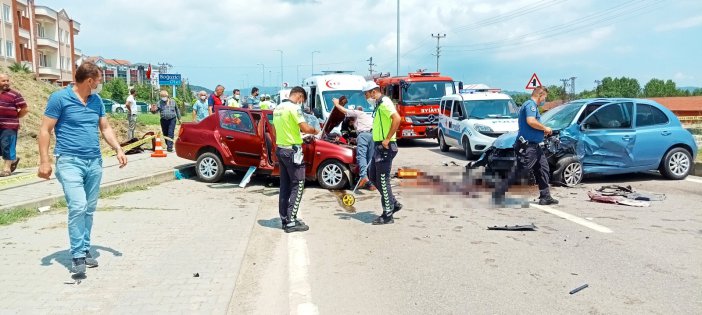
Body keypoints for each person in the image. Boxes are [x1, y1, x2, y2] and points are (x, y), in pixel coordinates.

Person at [37, 62, 128, 275]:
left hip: (94, 162)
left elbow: (105, 128)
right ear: (89, 80)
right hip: (69, 161)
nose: (100, 83)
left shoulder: (96, 101)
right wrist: (44, 161)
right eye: (98, 80)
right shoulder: (59, 98)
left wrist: (118, 149)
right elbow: (44, 130)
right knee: (78, 206)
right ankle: (77, 253)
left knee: (89, 208)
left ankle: (85, 248)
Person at [492, 86, 559, 206]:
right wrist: (545, 128)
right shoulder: (530, 105)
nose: (544, 100)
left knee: (543, 169)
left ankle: (545, 196)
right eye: (545, 97)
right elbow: (531, 121)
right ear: (540, 95)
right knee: (520, 171)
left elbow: (531, 124)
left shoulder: (532, 106)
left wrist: (541, 131)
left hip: (535, 146)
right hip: (528, 147)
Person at [272, 86, 319, 233]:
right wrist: (315, 130)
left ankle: (285, 218)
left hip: (281, 148)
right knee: (298, 184)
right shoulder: (294, 108)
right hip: (292, 151)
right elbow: (305, 128)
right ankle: (291, 222)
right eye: (302, 100)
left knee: (285, 186)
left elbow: (275, 129)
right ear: (299, 96)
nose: (301, 103)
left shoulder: (278, 108)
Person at [364, 81, 402, 225]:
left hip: (385, 146)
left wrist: (387, 139)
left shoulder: (385, 102)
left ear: (373, 92)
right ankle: (393, 203)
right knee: (373, 177)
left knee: (383, 180)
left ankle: (388, 214)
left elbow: (396, 119)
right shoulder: (379, 104)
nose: (366, 97)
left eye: (366, 94)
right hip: (378, 146)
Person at [333, 96, 375, 190]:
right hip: (372, 135)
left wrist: (336, 104)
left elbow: (344, 111)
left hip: (363, 135)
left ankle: (364, 177)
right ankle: (371, 183)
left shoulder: (358, 113)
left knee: (361, 156)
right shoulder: (365, 117)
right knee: (370, 159)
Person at [0, 74, 28, 177]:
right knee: (2, 147)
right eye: (3, 81)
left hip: (9, 126)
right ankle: (13, 159)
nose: (6, 83)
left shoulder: (14, 94)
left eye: (7, 80)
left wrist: (15, 118)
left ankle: (7, 169)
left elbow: (25, 109)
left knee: (7, 145)